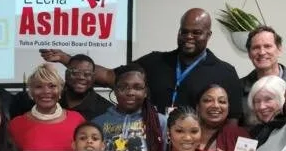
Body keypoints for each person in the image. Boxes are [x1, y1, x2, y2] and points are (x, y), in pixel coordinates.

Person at [41, 8, 243, 118]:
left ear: (209, 35)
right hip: (150, 149)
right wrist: (66, 59)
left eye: (196, 32)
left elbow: (233, 125)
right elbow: (109, 76)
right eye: (184, 31)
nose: (189, 36)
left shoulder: (225, 72)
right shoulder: (155, 61)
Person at [11, 54, 113, 120]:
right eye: (75, 73)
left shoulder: (105, 110)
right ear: (66, 74)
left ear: (94, 77)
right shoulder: (45, 98)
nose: (81, 77)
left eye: (87, 74)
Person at [239, 26, 286, 120]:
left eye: (267, 46)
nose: (262, 52)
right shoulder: (238, 88)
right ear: (249, 54)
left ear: (279, 49)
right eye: (256, 48)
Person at [197, 85, 249, 151]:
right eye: (208, 100)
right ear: (198, 107)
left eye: (222, 101)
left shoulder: (241, 135)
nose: (216, 105)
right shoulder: (186, 134)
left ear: (228, 108)